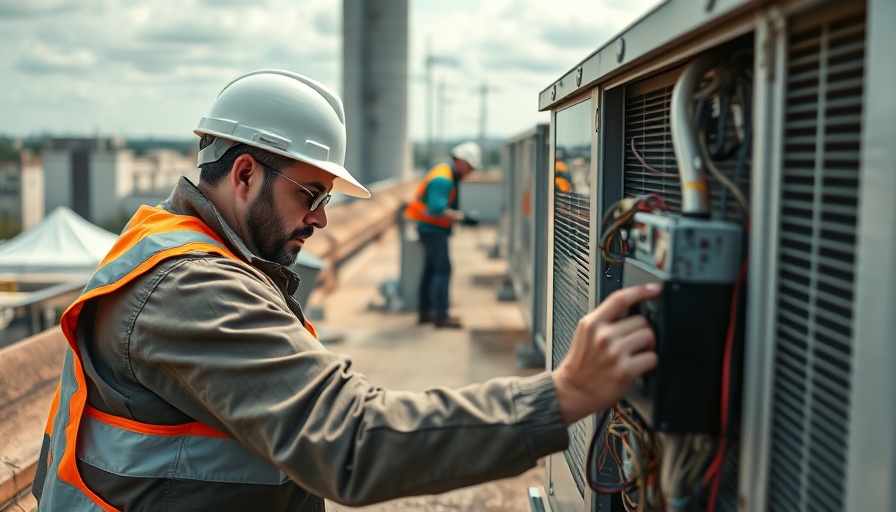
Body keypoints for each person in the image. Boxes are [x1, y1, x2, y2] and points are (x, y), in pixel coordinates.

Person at [33, 69, 660, 511]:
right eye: (311, 194)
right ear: (245, 174)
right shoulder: (192, 288)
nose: (322, 218)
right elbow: (351, 440)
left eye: (327, 199)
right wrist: (564, 395)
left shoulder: (182, 250)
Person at [404, 141, 481, 328]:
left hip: (429, 228)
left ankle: (426, 312)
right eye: (470, 167)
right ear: (461, 162)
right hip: (433, 230)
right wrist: (463, 218)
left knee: (431, 271)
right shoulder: (443, 179)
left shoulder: (445, 173)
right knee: (443, 270)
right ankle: (441, 315)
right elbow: (437, 208)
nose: (470, 172)